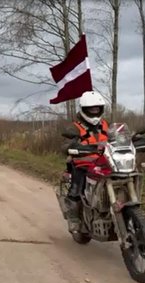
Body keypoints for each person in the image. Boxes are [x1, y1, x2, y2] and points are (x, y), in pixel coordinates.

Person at [61, 91, 108, 232]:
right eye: (91, 109)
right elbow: (65, 145)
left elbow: (118, 137)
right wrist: (72, 147)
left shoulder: (106, 124)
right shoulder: (75, 127)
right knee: (77, 187)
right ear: (83, 109)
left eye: (97, 108)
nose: (95, 112)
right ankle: (74, 218)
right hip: (83, 164)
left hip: (104, 162)